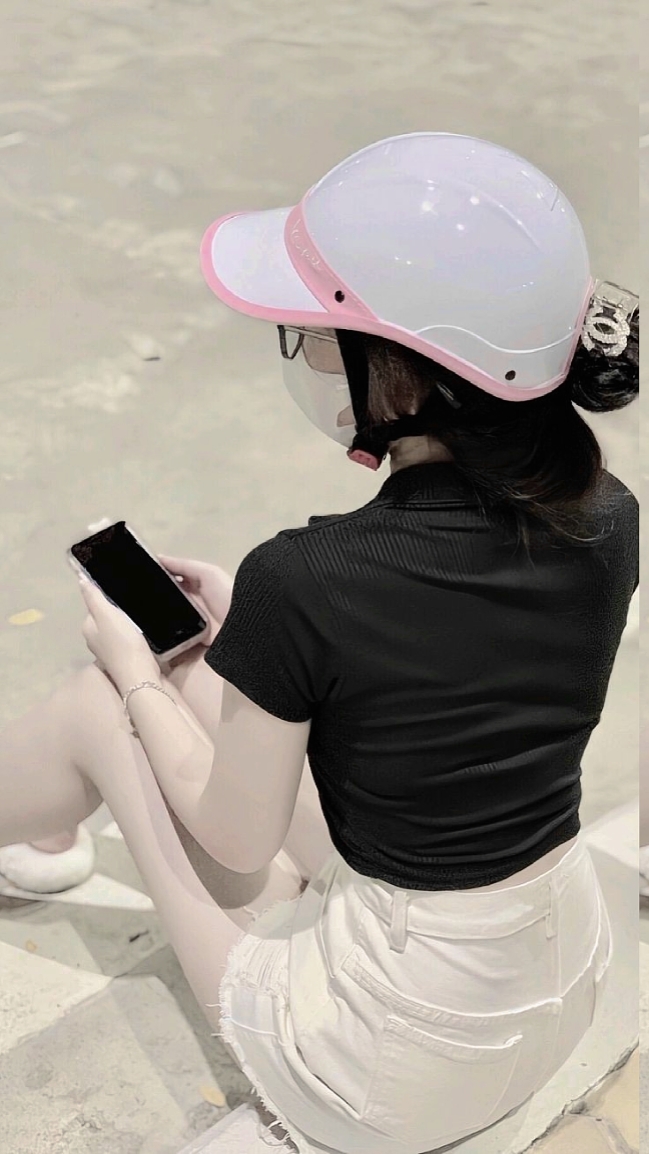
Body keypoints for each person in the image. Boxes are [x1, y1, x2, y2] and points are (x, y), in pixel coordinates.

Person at [0, 133, 638, 1154]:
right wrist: (248, 641)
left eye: (316, 335)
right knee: (199, 671)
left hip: (393, 1066)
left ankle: (33, 825)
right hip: (556, 982)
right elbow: (443, 683)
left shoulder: (309, 574)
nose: (303, 355)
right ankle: (40, 833)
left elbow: (238, 840)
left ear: (403, 375)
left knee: (100, 700)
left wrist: (131, 676)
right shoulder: (608, 516)